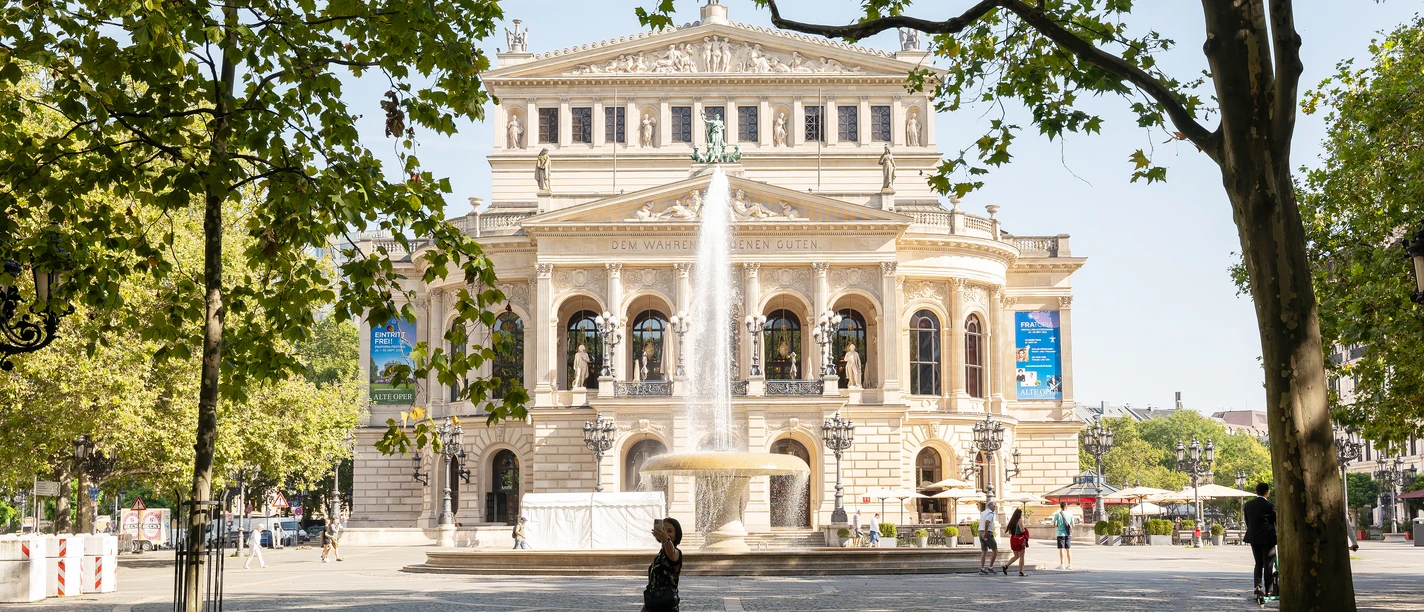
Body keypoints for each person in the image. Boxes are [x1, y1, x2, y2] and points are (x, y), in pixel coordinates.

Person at [641, 517, 683, 612]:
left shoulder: (676, 552)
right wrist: (645, 607)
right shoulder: (660, 555)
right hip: (653, 603)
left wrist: (666, 540)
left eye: (670, 531)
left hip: (667, 606)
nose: (666, 533)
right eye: (663, 530)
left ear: (677, 534)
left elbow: (671, 553)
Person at [1243, 482, 1277, 598]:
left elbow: (1248, 522)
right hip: (1268, 538)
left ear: (1256, 491)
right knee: (1268, 564)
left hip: (1253, 537)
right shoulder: (1270, 506)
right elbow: (1276, 521)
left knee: (1258, 563)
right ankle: (1268, 590)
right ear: (1267, 492)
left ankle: (1257, 585)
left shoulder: (1248, 505)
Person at [1002, 508, 1029, 576]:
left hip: (1013, 539)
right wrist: (1025, 530)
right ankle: (1021, 572)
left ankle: (1006, 566)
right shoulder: (1019, 520)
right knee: (1022, 556)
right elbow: (1022, 530)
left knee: (1016, 556)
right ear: (1019, 514)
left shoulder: (1012, 521)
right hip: (1019, 539)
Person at [978, 501, 999, 575]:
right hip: (987, 533)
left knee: (984, 551)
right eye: (994, 506)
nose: (995, 507)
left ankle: (982, 568)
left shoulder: (983, 512)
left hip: (980, 532)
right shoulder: (990, 513)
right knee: (995, 550)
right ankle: (990, 567)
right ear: (990, 506)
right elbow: (987, 522)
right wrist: (986, 532)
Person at [1052, 501, 1073, 570]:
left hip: (1060, 534)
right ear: (1066, 507)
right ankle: (1069, 564)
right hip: (1068, 534)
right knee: (1068, 549)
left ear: (1060, 507)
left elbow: (1054, 525)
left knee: (1061, 549)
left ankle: (1062, 564)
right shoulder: (1070, 514)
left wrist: (1059, 525)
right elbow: (1073, 524)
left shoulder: (1058, 514)